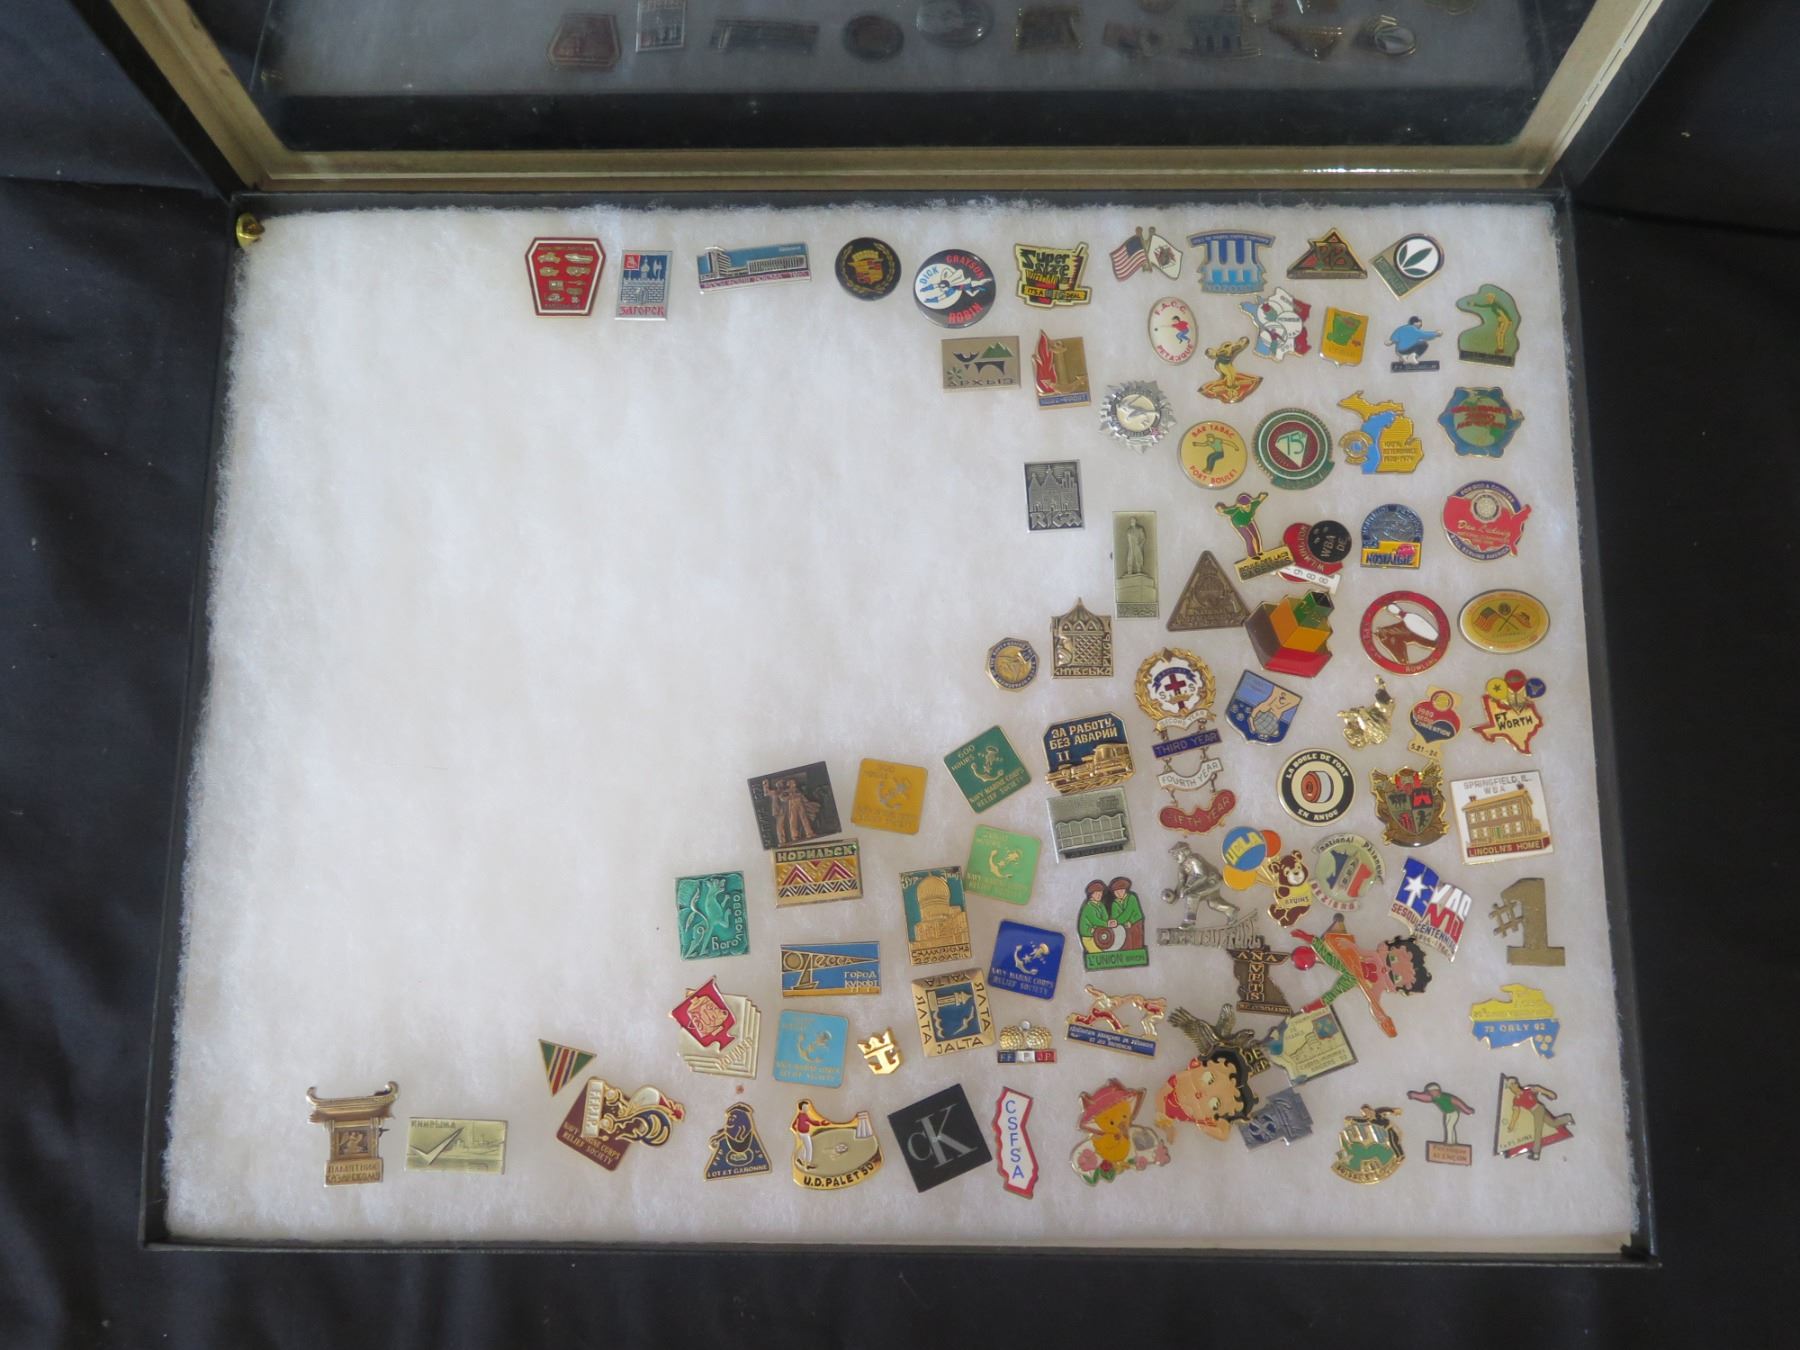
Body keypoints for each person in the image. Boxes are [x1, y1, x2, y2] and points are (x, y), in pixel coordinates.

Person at [1290, 913, 1431, 1037]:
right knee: (1327, 958)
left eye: (1396, 977)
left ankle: (1311, 1007)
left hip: (1351, 979)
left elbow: (1375, 1005)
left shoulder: (1379, 986)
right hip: (1350, 962)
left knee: (1334, 992)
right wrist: (1350, 946)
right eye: (1392, 959)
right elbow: (1360, 952)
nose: (1386, 970)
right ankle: (1308, 938)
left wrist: (1383, 1019)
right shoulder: (1376, 956)